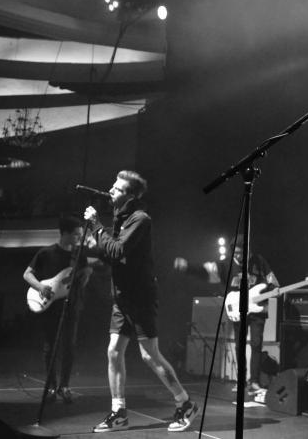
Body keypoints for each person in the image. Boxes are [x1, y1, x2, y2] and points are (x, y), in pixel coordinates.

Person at [84, 170, 198, 433]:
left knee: (149, 355)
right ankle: (119, 412)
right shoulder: (119, 218)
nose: (111, 190)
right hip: (122, 299)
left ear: (130, 195)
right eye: (112, 185)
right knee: (113, 351)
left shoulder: (140, 219)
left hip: (140, 297)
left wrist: (96, 226)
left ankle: (185, 403)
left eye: (117, 188)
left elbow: (117, 250)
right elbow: (112, 254)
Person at [175, 237, 279, 396]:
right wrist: (188, 267)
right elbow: (206, 271)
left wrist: (275, 289)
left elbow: (272, 281)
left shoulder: (259, 261)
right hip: (238, 308)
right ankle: (241, 380)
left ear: (249, 252)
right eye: (236, 253)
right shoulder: (227, 265)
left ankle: (254, 382)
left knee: (257, 344)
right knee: (239, 345)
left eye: (241, 253)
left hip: (258, 309)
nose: (238, 256)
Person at [23, 214, 92, 404]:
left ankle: (65, 386)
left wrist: (85, 274)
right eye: (77, 234)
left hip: (72, 305)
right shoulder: (46, 253)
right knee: (50, 347)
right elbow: (27, 274)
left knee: (69, 347)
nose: (79, 237)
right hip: (50, 306)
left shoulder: (79, 255)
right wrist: (40, 287)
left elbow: (81, 282)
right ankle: (52, 385)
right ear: (65, 233)